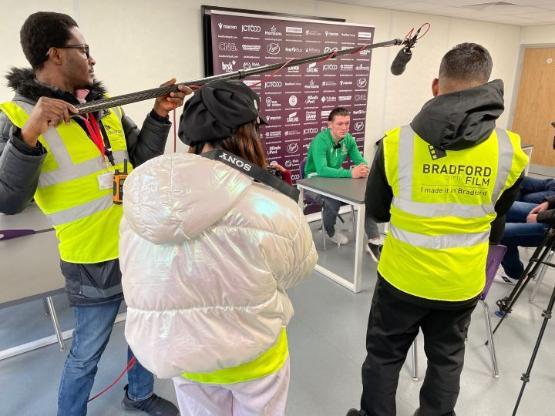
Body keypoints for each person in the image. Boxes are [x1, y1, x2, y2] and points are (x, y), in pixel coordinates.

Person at [0, 11, 190, 416]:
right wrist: (29, 134)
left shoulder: (107, 108)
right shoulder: (15, 116)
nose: (92, 59)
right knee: (87, 352)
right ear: (55, 54)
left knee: (143, 334)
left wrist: (158, 114)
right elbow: (7, 200)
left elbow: (138, 163)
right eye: (84, 50)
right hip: (89, 260)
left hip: (137, 246)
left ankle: (138, 394)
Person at [346, 43, 528, 416]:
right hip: (460, 282)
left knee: (384, 356)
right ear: (487, 85)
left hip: (402, 278)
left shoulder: (397, 143)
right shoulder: (508, 150)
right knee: (446, 360)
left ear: (435, 86)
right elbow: (499, 217)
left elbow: (378, 210)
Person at [118, 79, 317, 416]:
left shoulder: (140, 205)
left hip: (184, 359)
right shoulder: (272, 207)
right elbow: (299, 270)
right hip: (255, 359)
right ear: (250, 133)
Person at [304, 107, 383, 261]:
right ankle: (330, 231)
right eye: (339, 124)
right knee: (332, 200)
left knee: (367, 196)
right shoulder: (320, 140)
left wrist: (364, 167)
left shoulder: (349, 139)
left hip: (336, 178)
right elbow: (321, 169)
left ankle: (374, 239)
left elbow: (359, 159)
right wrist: (350, 173)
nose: (344, 128)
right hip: (313, 180)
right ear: (330, 125)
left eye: (347, 123)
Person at [498, 198, 555, 283]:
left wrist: (540, 217)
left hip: (552, 228)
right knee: (502, 206)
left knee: (499, 232)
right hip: (551, 212)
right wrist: (549, 202)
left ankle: (515, 276)